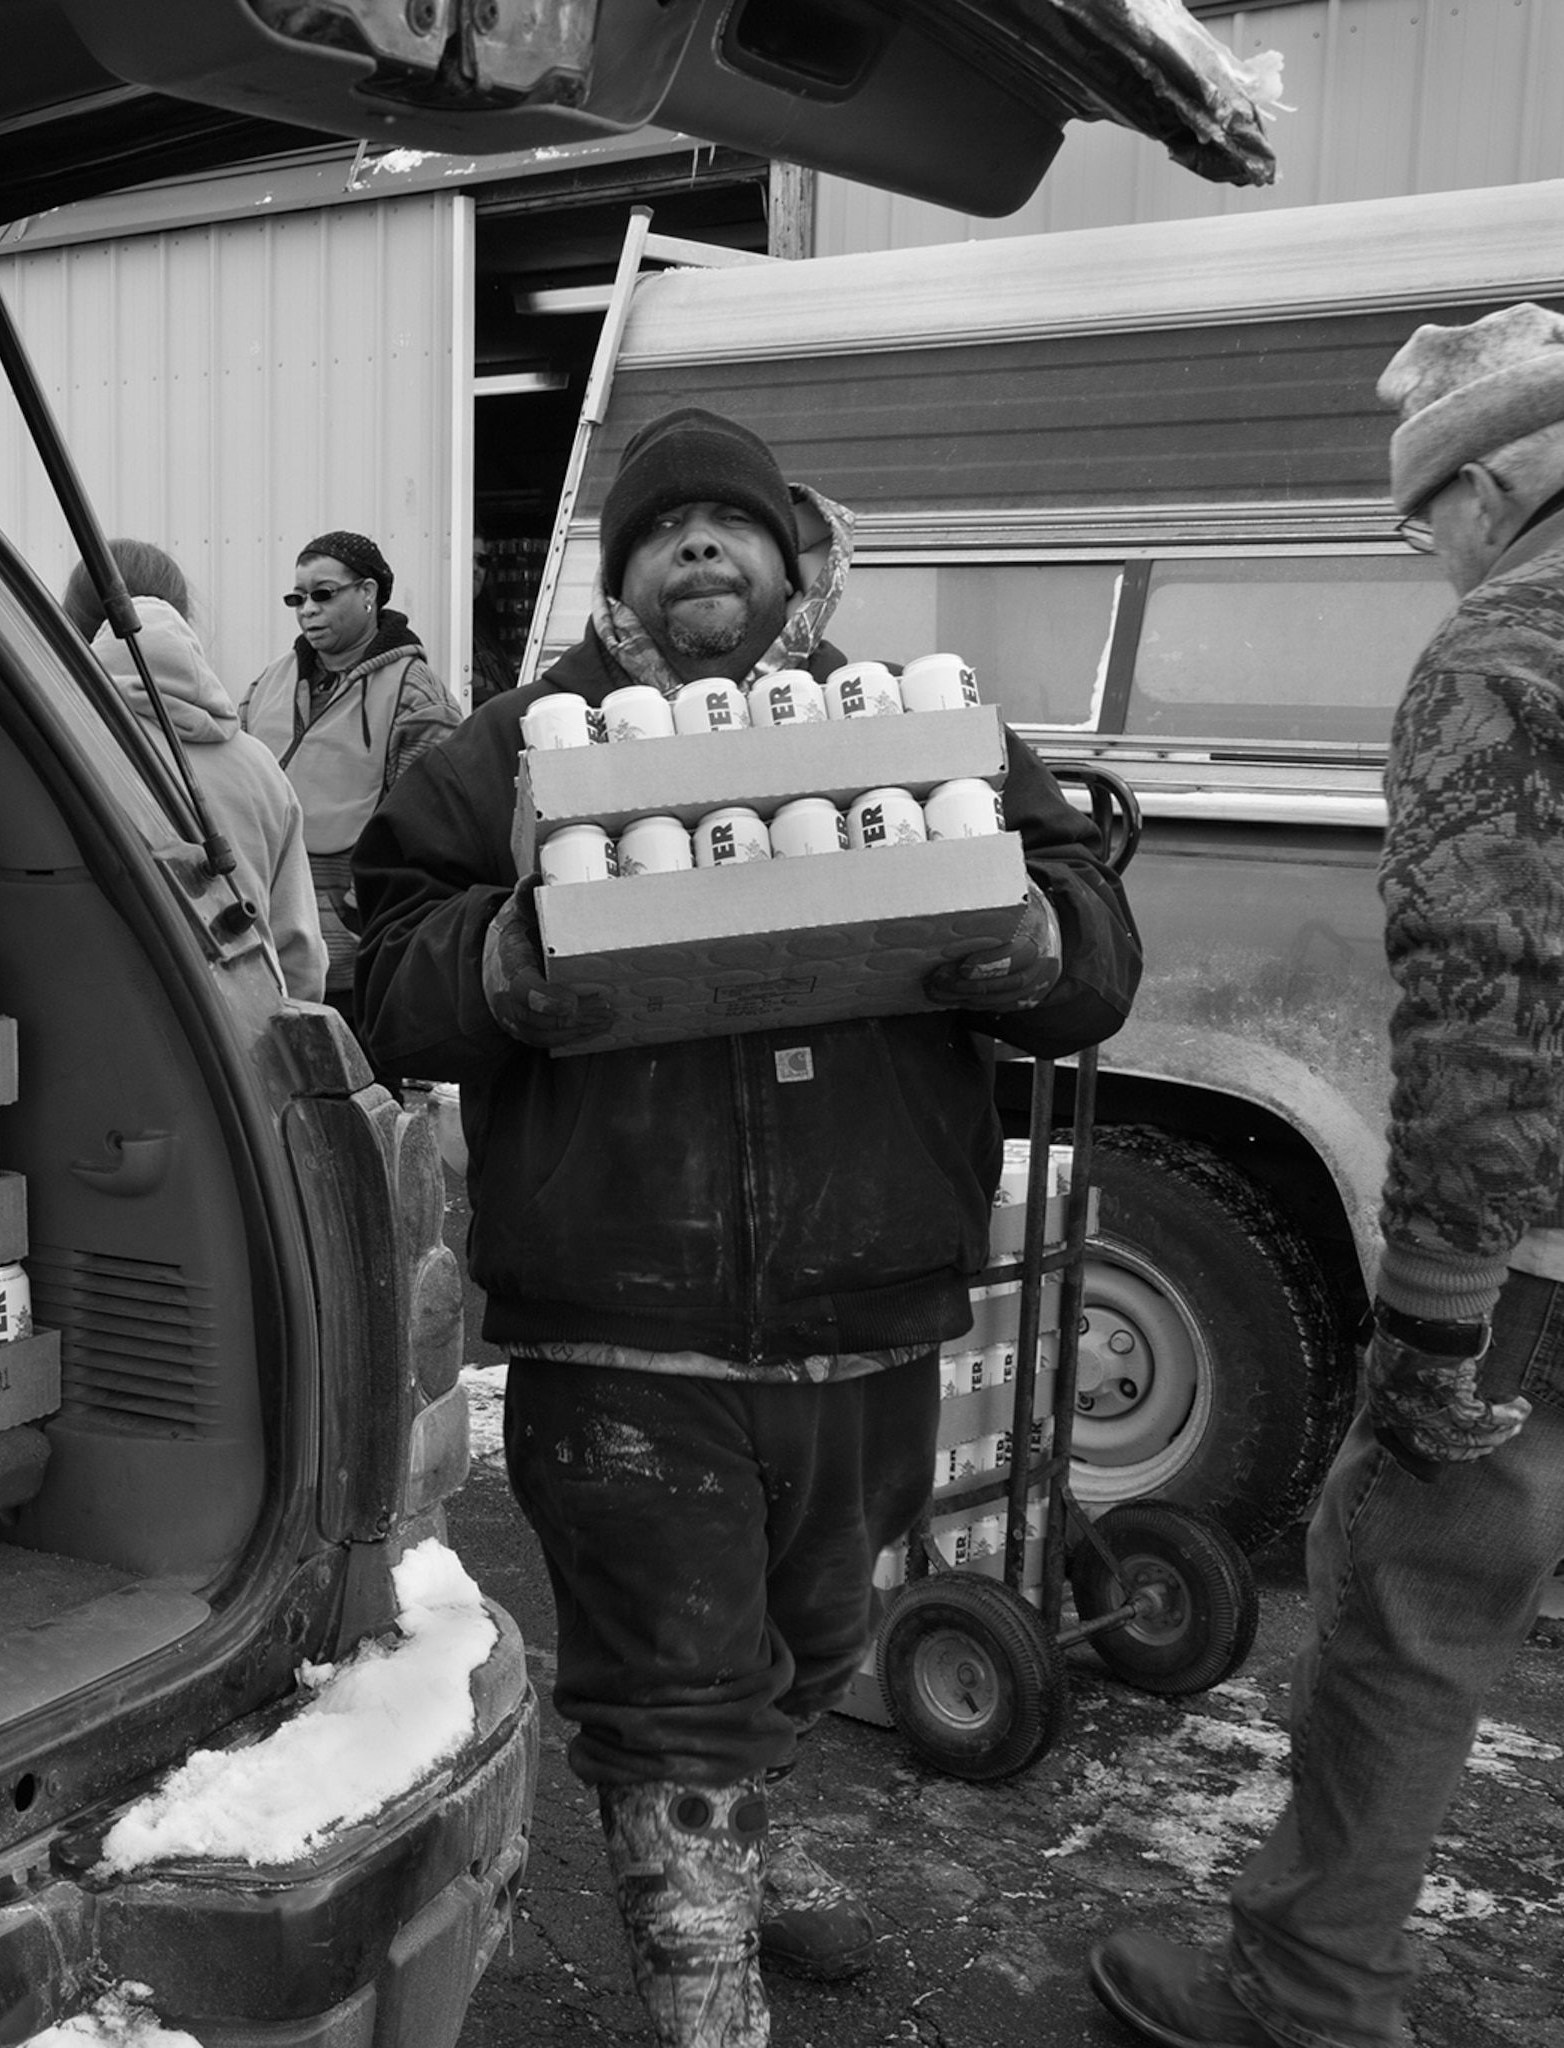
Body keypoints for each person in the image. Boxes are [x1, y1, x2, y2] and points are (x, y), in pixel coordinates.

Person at [348, 407, 1139, 2048]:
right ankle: (706, 1985)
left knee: (811, 1637)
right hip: (622, 1312)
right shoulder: (503, 755)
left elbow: (1096, 951)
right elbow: (384, 973)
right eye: (662, 527)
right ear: (619, 573)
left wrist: (1027, 936)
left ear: (790, 561)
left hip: (870, 1303)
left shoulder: (926, 735)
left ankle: (736, 1857)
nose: (698, 544)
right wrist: (506, 962)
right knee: (672, 1684)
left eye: (732, 522)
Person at [1089, 308, 1564, 2048]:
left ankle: (1299, 1990)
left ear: (1491, 481)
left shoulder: (1530, 643)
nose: (1424, 558)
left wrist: (1427, 1323)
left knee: (1407, 1595)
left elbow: (1503, 1000)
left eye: (1417, 519)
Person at [64, 542, 327, 1002]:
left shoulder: (59, 744)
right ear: (184, 619)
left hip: (99, 1027)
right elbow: (300, 958)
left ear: (71, 625)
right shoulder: (258, 765)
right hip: (243, 1036)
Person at [239, 531, 458, 1034]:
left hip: (356, 968)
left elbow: (426, 833)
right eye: (297, 598)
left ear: (368, 594)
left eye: (323, 594)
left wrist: (365, 916)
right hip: (265, 954)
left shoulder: (417, 698)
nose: (306, 610)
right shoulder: (267, 683)